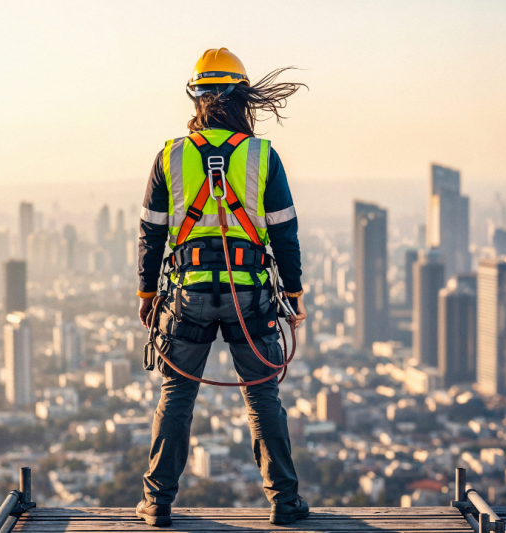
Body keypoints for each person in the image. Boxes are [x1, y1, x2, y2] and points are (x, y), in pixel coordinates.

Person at [135, 48, 308, 527]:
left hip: (188, 292)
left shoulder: (170, 155)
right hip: (250, 294)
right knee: (262, 396)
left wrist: (147, 294)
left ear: (196, 98)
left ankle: (157, 503)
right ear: (241, 96)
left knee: (177, 394)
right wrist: (293, 295)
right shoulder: (262, 156)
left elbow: (151, 232)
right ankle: (285, 502)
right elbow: (284, 233)